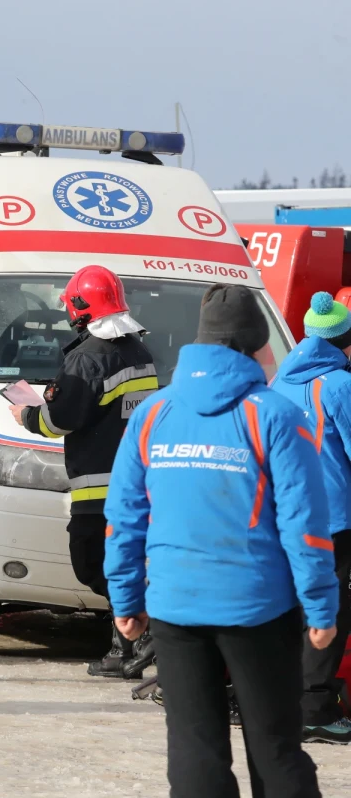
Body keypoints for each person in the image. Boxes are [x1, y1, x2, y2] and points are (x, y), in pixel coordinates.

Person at [106, 284, 338, 798]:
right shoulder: (274, 415)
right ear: (255, 345)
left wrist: (126, 598)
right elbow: (304, 521)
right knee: (275, 747)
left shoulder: (154, 414)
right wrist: (321, 607)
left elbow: (124, 515)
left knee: (194, 749)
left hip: (174, 607)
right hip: (257, 609)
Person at [7, 265, 158, 678]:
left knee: (93, 564)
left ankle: (146, 640)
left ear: (79, 308)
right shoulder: (138, 351)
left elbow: (59, 420)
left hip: (99, 486)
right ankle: (125, 648)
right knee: (123, 565)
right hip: (137, 482)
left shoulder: (88, 357)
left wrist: (26, 414)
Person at [272, 291, 351, 744]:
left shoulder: (281, 382)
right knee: (327, 611)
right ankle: (316, 708)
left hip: (285, 516)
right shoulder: (339, 386)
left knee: (289, 610)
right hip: (331, 521)